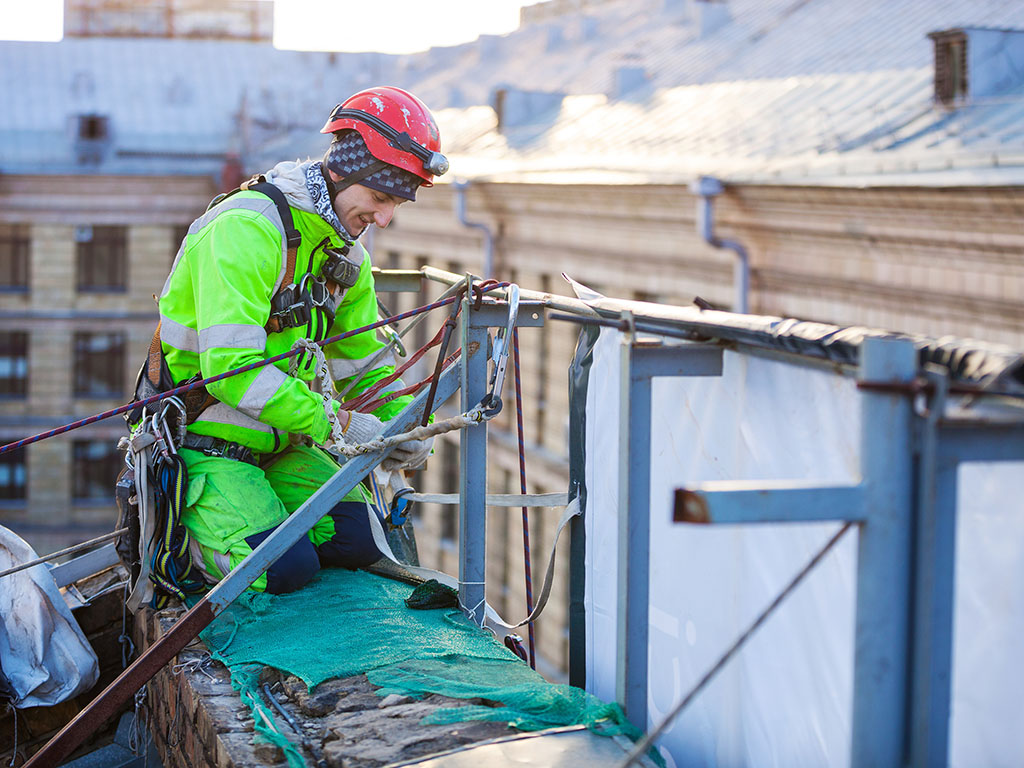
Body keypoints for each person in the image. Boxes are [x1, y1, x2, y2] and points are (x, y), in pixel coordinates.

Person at [155, 86, 445, 594]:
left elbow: (364, 365)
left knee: (359, 543)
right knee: (286, 569)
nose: (384, 219)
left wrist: (405, 425)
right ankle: (191, 538)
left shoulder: (344, 257)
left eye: (395, 204)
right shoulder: (247, 229)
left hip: (283, 444)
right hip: (204, 447)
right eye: (379, 198)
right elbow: (233, 372)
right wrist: (340, 424)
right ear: (342, 173)